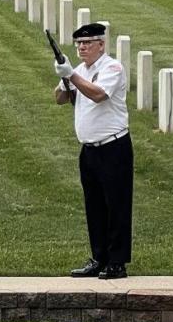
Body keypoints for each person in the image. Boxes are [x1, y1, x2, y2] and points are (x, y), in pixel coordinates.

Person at [54, 23, 132, 280]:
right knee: (94, 206)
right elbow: (60, 99)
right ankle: (99, 257)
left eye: (88, 43)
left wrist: (73, 77)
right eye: (78, 44)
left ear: (101, 44)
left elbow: (99, 95)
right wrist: (64, 78)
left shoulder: (112, 67)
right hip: (89, 149)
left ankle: (117, 261)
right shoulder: (78, 70)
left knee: (116, 204)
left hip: (113, 145)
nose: (82, 47)